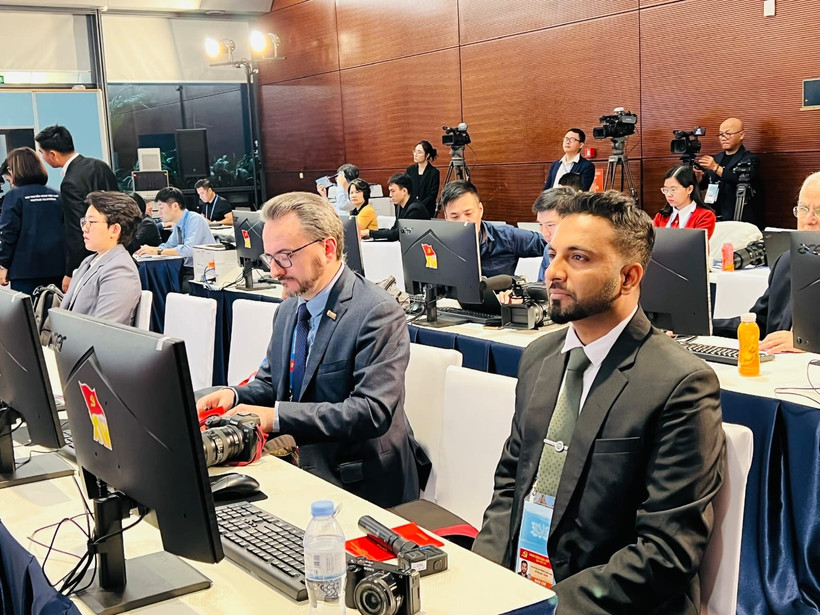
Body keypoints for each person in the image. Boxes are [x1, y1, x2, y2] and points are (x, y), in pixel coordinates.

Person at [473, 190, 725, 614]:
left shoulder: (680, 383)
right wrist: (484, 578)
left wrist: (547, 607)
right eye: (553, 254)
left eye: (578, 258)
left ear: (628, 277)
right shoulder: (539, 357)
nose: (553, 272)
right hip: (521, 585)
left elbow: (667, 550)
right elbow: (512, 484)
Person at [196, 192, 421, 507]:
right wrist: (233, 396)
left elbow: (370, 412)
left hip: (361, 482)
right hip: (301, 465)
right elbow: (271, 384)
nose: (275, 271)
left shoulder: (376, 312)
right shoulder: (289, 309)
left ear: (327, 249)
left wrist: (275, 417)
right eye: (270, 258)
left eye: (285, 256)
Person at [713, 171, 820, 353]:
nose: (809, 220)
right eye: (803, 209)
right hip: (779, 364)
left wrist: (810, 341)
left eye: (819, 211)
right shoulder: (786, 262)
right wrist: (700, 326)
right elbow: (759, 325)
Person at [35, 124, 119, 292]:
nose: (43, 157)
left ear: (53, 154)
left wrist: (71, 271)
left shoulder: (70, 182)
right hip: (115, 249)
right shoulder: (100, 165)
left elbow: (76, 229)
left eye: (42, 153)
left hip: (91, 259)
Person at [61, 191, 142, 326]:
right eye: (84, 221)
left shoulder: (120, 270)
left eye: (91, 222)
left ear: (115, 230)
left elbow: (104, 329)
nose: (85, 228)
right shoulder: (89, 261)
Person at [440, 180, 545, 277]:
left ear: (480, 210)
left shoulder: (507, 236)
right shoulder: (438, 245)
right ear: (446, 217)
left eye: (468, 214)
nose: (463, 221)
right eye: (455, 217)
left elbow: (549, 244)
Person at [0, 147, 65, 295]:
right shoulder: (57, 195)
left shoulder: (13, 197)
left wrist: (3, 264)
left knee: (28, 309)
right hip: (58, 269)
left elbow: (8, 233)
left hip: (25, 271)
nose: (11, 184)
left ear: (14, 171)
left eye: (9, 180)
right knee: (55, 307)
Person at [135, 186, 215, 293]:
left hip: (201, 272)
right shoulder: (179, 224)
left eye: (161, 208)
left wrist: (157, 251)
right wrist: (149, 251)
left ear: (175, 206)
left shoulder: (195, 220)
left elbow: (188, 250)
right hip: (186, 269)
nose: (159, 212)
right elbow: (168, 245)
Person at [697, 117, 759, 224]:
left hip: (738, 215)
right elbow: (707, 183)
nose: (723, 138)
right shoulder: (717, 158)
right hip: (715, 214)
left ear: (741, 135)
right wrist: (699, 178)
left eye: (728, 134)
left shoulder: (749, 159)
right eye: (721, 134)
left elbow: (739, 179)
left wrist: (716, 168)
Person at [361, 173, 429, 241]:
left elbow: (399, 234)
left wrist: (371, 233)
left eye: (393, 191)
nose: (390, 195)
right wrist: (371, 233)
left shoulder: (415, 209)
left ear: (404, 191)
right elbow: (394, 230)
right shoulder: (399, 207)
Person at [653, 165, 716, 238]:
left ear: (689, 189)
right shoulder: (660, 216)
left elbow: (696, 243)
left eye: (673, 189)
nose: (668, 194)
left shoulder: (705, 216)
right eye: (665, 190)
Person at [532, 187, 575, 282]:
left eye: (550, 225)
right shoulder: (548, 249)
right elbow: (542, 285)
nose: (545, 233)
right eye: (540, 224)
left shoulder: (586, 252)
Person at [406, 140, 440, 217]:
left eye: (419, 152)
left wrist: (419, 206)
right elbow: (407, 190)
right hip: (411, 209)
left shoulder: (434, 172)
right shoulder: (410, 170)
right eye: (414, 151)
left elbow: (432, 195)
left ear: (427, 155)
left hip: (427, 210)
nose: (415, 155)